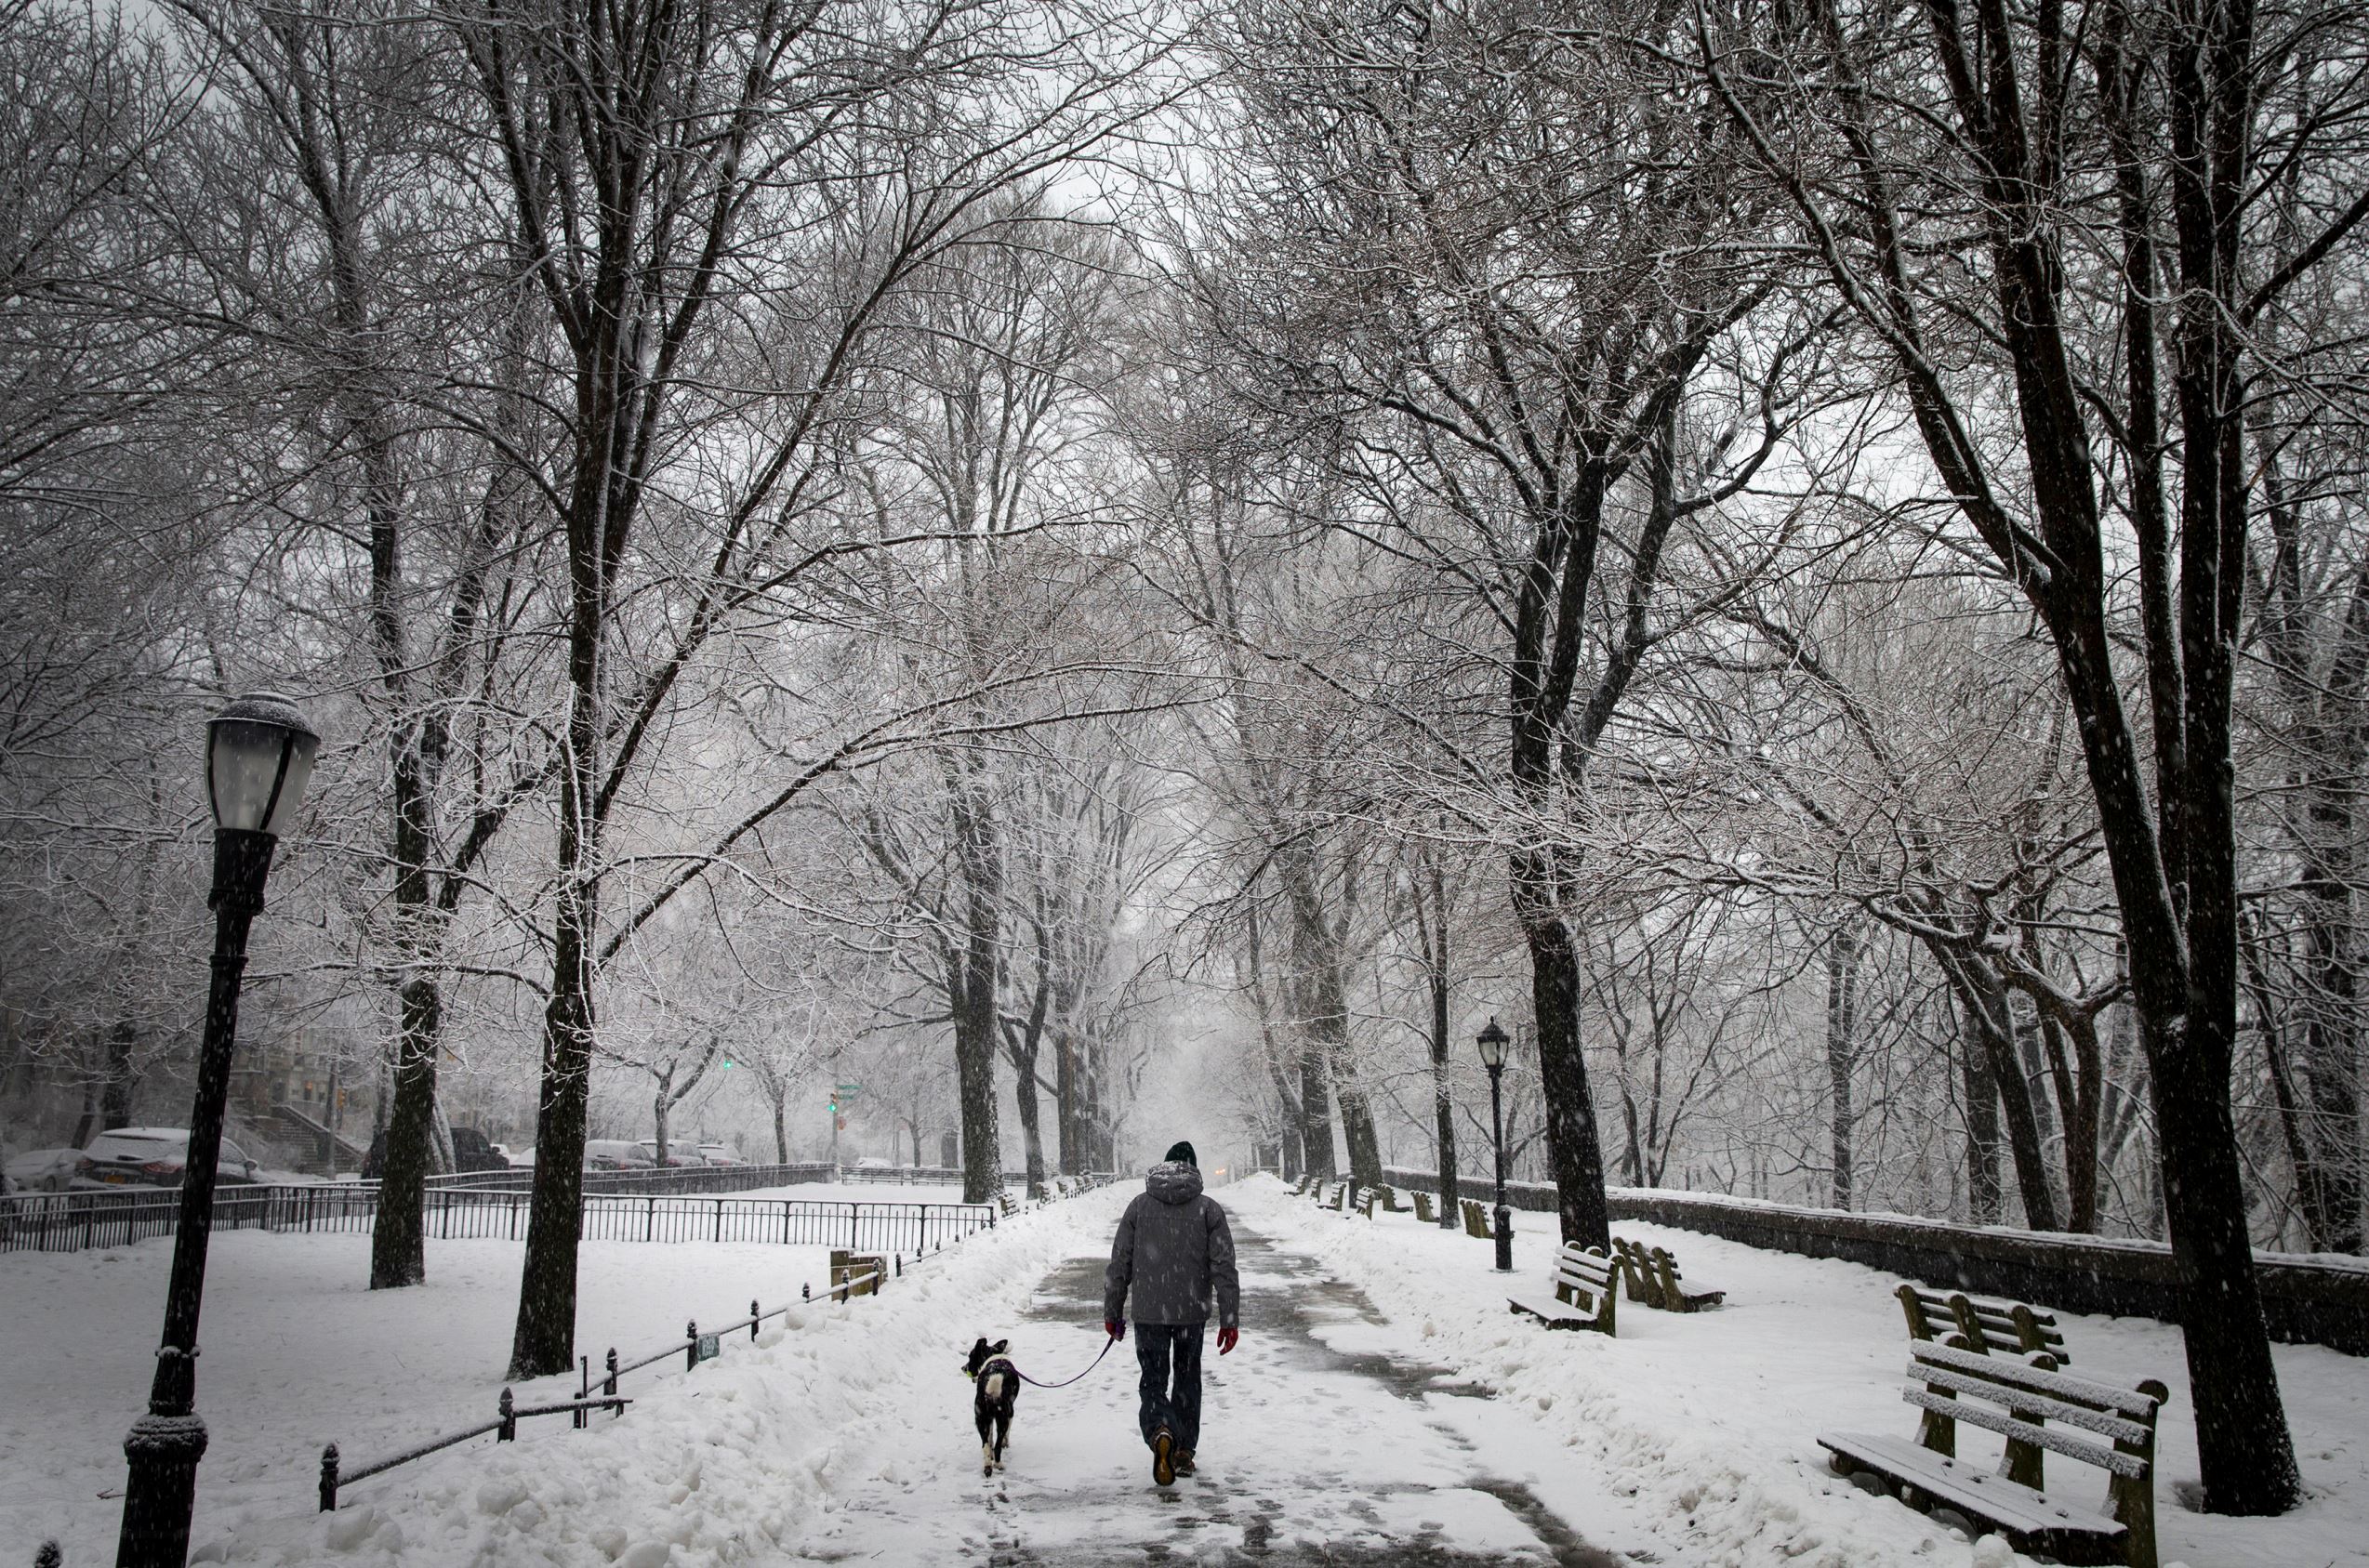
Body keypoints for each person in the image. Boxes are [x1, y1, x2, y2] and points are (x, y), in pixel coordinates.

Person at [1103, 1140, 1239, 1486]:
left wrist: (1113, 1310)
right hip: (1191, 1311)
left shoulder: (1139, 1207)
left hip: (1150, 1313)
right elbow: (1224, 1267)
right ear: (1194, 1169)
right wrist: (1229, 1318)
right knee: (1187, 1379)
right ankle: (1183, 1451)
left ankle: (1160, 1429)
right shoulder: (1208, 1210)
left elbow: (1119, 1263)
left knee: (1153, 1379)